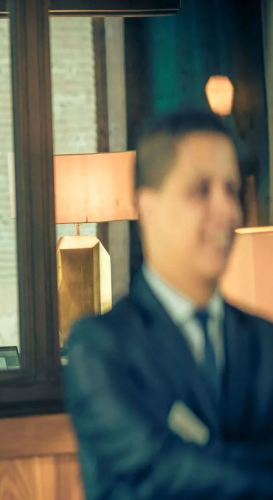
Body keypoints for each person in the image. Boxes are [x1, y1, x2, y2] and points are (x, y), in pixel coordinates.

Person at [64, 110, 273, 499]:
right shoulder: (100, 347)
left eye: (232, 190)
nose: (228, 210)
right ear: (148, 207)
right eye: (201, 190)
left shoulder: (264, 340)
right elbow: (160, 471)